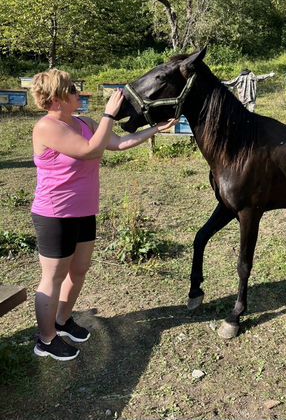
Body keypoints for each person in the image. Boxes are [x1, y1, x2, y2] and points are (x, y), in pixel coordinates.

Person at [30, 69, 177, 361]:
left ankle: (62, 320)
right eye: (72, 90)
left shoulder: (83, 122)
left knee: (79, 269)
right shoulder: (47, 127)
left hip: (84, 211)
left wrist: (155, 129)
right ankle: (46, 339)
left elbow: (116, 143)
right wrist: (109, 114)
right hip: (55, 213)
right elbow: (89, 150)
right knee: (53, 277)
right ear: (57, 99)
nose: (78, 94)